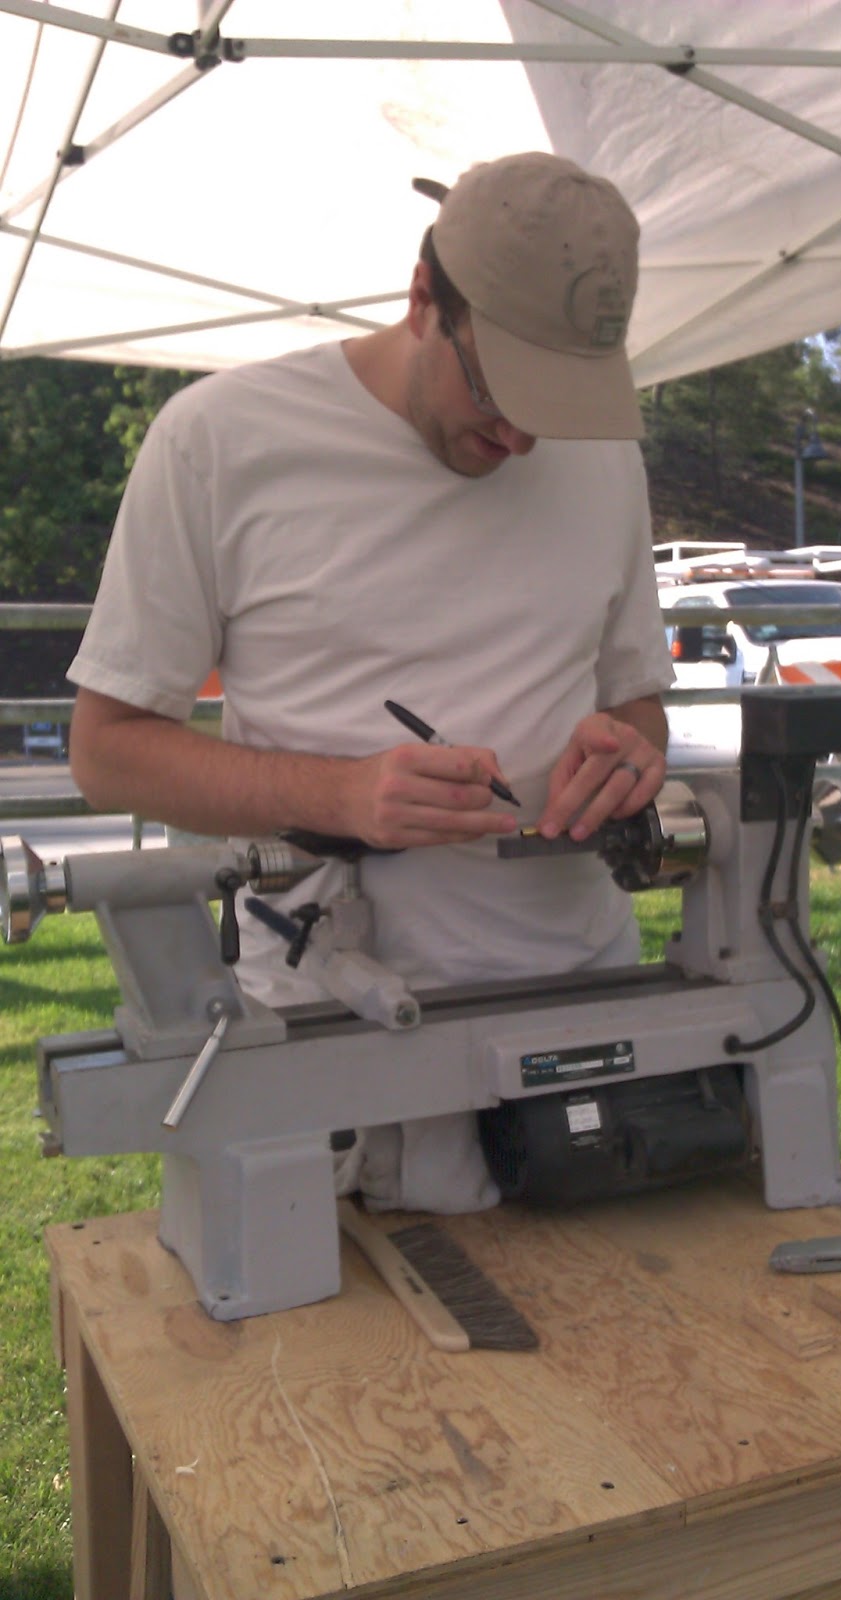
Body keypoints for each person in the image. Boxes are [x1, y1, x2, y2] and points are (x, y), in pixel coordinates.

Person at [67, 151, 675, 1213]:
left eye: (559, 403)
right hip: (319, 1045)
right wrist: (337, 797)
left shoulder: (602, 456)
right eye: (500, 390)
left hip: (577, 1035)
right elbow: (106, 746)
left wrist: (628, 751)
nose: (524, 436)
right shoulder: (220, 441)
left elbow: (633, 696)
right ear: (423, 299)